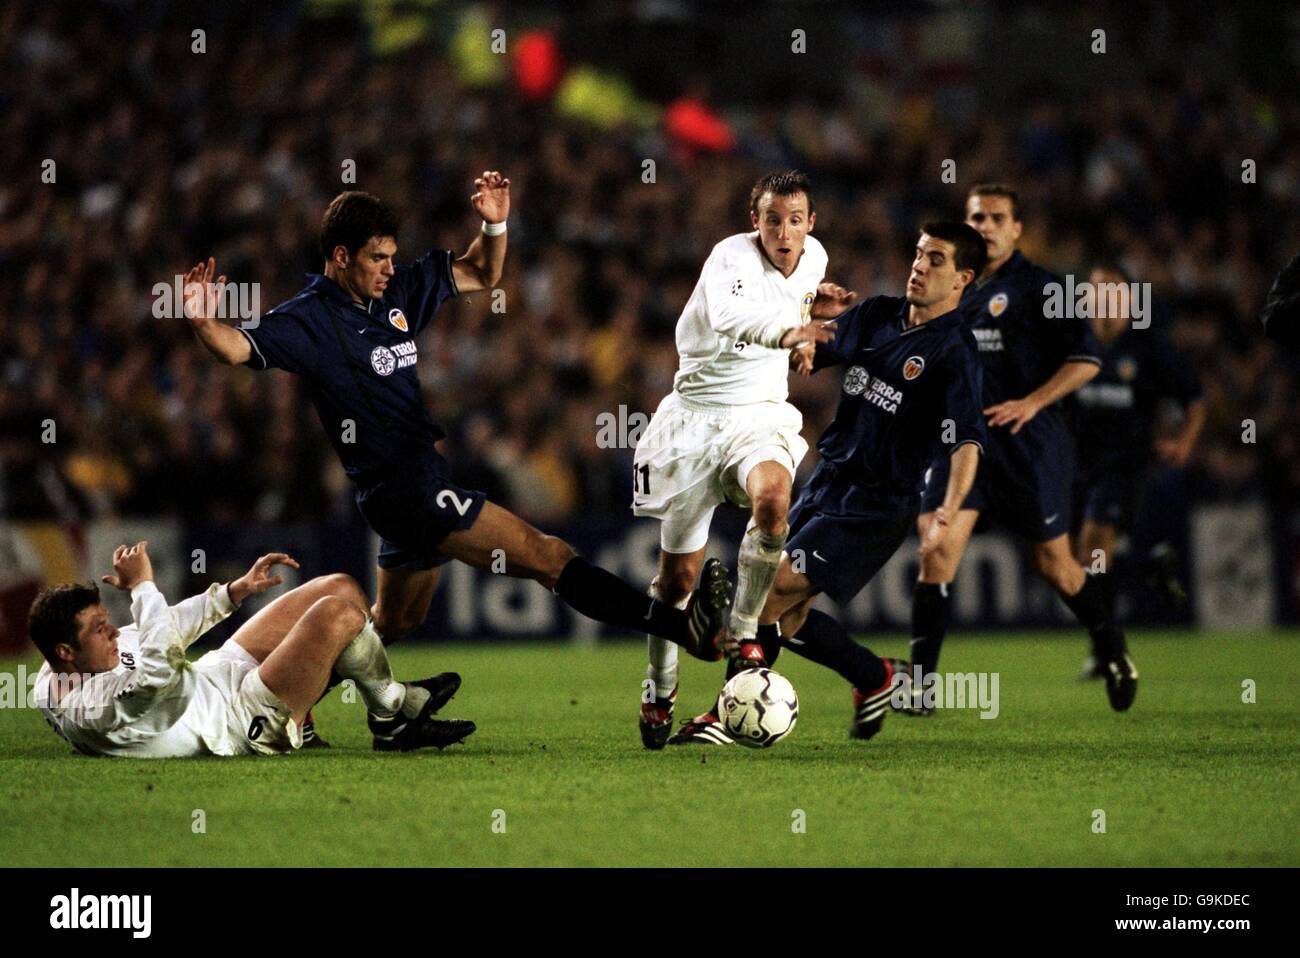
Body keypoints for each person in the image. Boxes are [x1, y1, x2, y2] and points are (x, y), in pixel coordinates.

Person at [182, 177, 731, 683]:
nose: (388, 269)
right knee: (549, 557)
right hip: (406, 489)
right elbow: (238, 349)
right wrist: (206, 323)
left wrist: (494, 225)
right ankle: (685, 630)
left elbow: (482, 272)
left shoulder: (393, 293)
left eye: (393, 257)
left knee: (388, 626)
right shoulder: (310, 319)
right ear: (341, 256)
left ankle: (273, 701)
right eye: (377, 258)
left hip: (411, 483)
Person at [669, 223, 986, 744]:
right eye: (918, 253)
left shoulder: (955, 351)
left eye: (936, 260)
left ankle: (726, 717)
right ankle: (874, 676)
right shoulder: (879, 314)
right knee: (787, 623)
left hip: (876, 502)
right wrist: (804, 336)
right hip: (826, 480)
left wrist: (949, 508)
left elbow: (968, 440)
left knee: (765, 594)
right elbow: (816, 347)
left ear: (962, 278)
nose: (919, 266)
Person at [632, 171, 854, 748]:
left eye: (795, 219)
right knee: (675, 579)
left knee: (775, 500)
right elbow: (734, 320)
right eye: (772, 219)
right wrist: (792, 333)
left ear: (811, 223)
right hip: (696, 419)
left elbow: (798, 306)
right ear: (754, 220)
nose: (784, 231)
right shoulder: (728, 258)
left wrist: (813, 321)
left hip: (759, 414)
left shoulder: (814, 259)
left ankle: (744, 629)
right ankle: (660, 685)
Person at [910, 185, 1138, 713]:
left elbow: (1087, 360)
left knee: (1055, 563)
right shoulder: (949, 285)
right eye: (976, 217)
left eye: (996, 218)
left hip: (1026, 444)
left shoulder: (1043, 288)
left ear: (1016, 229)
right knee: (936, 546)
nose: (985, 226)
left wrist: (1032, 402)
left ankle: (1113, 648)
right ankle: (920, 687)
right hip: (960, 442)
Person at [31, 542, 473, 757]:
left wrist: (232, 593)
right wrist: (144, 586)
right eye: (98, 629)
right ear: (66, 651)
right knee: (337, 615)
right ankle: (391, 713)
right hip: (234, 723)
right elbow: (159, 670)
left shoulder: (72, 664)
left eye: (107, 623)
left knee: (338, 587)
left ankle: (366, 713)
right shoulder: (88, 710)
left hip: (217, 675)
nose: (113, 634)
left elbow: (160, 634)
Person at [1071, 263, 1204, 669]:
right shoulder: (1075, 342)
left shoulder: (1147, 346)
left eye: (1109, 290)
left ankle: (1107, 648)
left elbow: (1194, 399)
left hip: (1126, 463)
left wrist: (1182, 443)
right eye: (1093, 290)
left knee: (1096, 540)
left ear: (1127, 299)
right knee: (1087, 557)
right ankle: (1147, 564)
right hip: (1080, 464)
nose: (1099, 298)